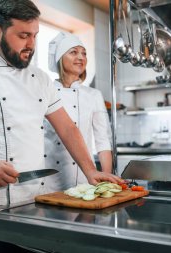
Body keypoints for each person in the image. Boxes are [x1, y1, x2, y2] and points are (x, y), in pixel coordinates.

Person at [0, 0, 122, 251]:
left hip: (34, 203)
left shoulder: (40, 79)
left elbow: (68, 128)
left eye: (35, 35)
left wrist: (90, 171)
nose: (31, 45)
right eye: (23, 36)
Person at [44, 32, 113, 192]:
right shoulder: (46, 92)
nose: (81, 57)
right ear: (60, 58)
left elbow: (102, 140)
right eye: (74, 52)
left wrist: (106, 177)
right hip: (51, 180)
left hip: (85, 178)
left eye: (84, 53)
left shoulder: (94, 95)